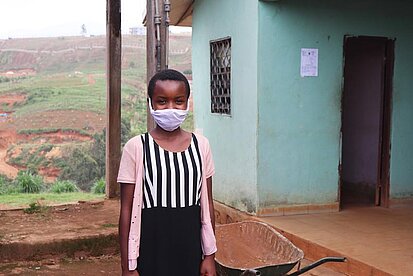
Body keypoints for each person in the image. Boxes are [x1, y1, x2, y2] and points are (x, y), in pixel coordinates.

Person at [118, 69, 217, 276]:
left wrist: (209, 256)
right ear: (150, 103)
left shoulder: (201, 146)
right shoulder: (136, 147)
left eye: (178, 101)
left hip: (190, 249)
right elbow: (127, 210)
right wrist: (128, 266)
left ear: (187, 103)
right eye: (162, 101)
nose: (170, 108)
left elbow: (207, 204)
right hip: (150, 249)